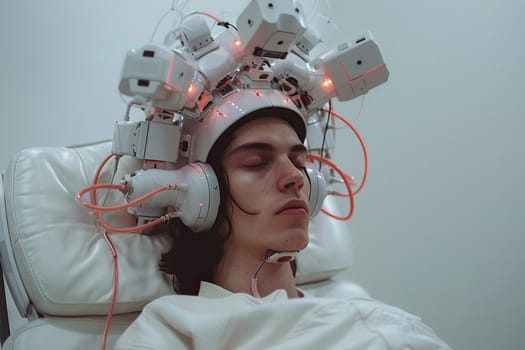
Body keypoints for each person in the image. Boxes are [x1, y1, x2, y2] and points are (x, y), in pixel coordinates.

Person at [113, 106, 452, 349]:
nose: (294, 177)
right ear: (202, 193)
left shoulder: (371, 315)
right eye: (256, 163)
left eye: (299, 161)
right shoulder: (173, 329)